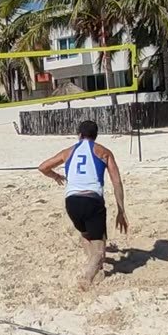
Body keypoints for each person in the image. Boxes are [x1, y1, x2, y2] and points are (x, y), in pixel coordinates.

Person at [38, 120, 128, 290]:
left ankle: (95, 265)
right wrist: (121, 210)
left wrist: (56, 176)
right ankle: (87, 277)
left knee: (86, 235)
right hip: (92, 199)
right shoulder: (104, 152)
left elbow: (43, 167)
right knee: (100, 247)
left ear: (79, 135)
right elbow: (116, 181)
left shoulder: (68, 152)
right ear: (95, 136)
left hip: (71, 201)